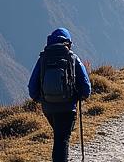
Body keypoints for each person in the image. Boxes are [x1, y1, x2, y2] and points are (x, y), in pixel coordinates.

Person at [28, 28, 91, 162]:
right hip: (68, 107)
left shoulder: (43, 58)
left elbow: (32, 87)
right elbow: (86, 86)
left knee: (59, 137)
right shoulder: (72, 58)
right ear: (68, 42)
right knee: (62, 139)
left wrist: (41, 99)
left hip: (48, 108)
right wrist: (82, 96)